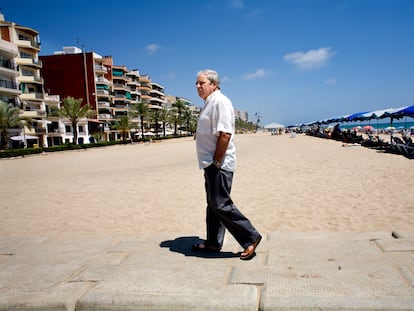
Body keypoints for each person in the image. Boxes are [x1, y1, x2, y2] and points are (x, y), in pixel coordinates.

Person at [193, 69, 262, 260]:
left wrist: (216, 161)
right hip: (210, 163)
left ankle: (251, 237)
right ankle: (213, 242)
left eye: (202, 83)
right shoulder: (209, 103)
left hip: (219, 163)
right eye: (196, 84)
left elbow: (225, 134)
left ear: (214, 84)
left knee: (221, 204)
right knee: (213, 205)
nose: (198, 87)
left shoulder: (220, 102)